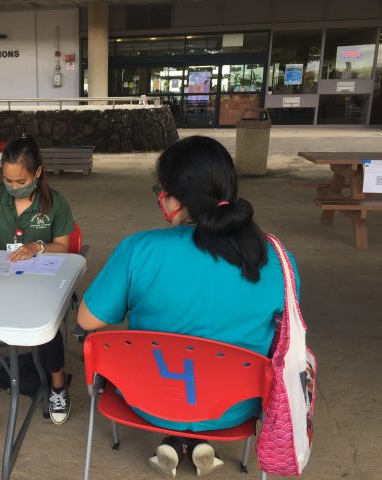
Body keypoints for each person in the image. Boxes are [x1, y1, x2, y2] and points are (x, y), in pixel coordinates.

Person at [78, 136, 299, 478]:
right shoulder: (278, 260)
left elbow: (88, 319)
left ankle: (176, 436)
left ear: (175, 199)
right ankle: (191, 440)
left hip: (145, 400)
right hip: (237, 408)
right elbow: (285, 335)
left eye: (160, 190)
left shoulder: (138, 249)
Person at [0, 135, 75, 450]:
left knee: (46, 329)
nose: (12, 185)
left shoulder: (55, 201)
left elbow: (66, 246)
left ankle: (58, 387)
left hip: (40, 282)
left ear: (38, 174)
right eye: (7, 179)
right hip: (0, 279)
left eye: (20, 180)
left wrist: (38, 246)